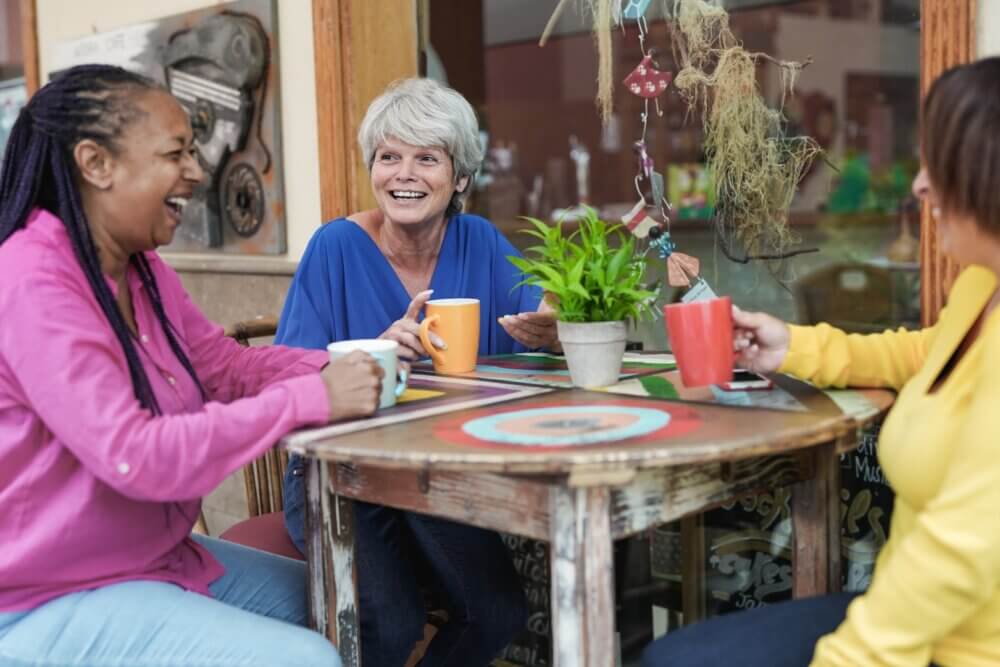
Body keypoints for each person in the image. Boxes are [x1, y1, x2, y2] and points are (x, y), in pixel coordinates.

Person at [0, 64, 386, 667]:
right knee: (303, 658)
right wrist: (316, 398)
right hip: (45, 596)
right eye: (175, 153)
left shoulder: (141, 271)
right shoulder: (31, 283)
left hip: (147, 561)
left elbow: (225, 367)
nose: (197, 172)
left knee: (345, 604)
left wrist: (349, 364)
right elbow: (137, 455)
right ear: (95, 164)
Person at [642, 56, 1000, 667]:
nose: (918, 185)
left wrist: (849, 656)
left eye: (935, 162)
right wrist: (795, 345)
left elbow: (963, 551)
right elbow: (926, 354)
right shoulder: (981, 286)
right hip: (906, 619)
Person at [278, 77, 555, 665]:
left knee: (499, 611)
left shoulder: (479, 240)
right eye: (389, 157)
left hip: (434, 472)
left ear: (459, 178)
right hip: (337, 474)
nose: (404, 174)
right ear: (372, 168)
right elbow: (283, 378)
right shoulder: (334, 247)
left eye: (427, 158)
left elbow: (539, 316)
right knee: (389, 619)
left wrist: (554, 323)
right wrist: (368, 356)